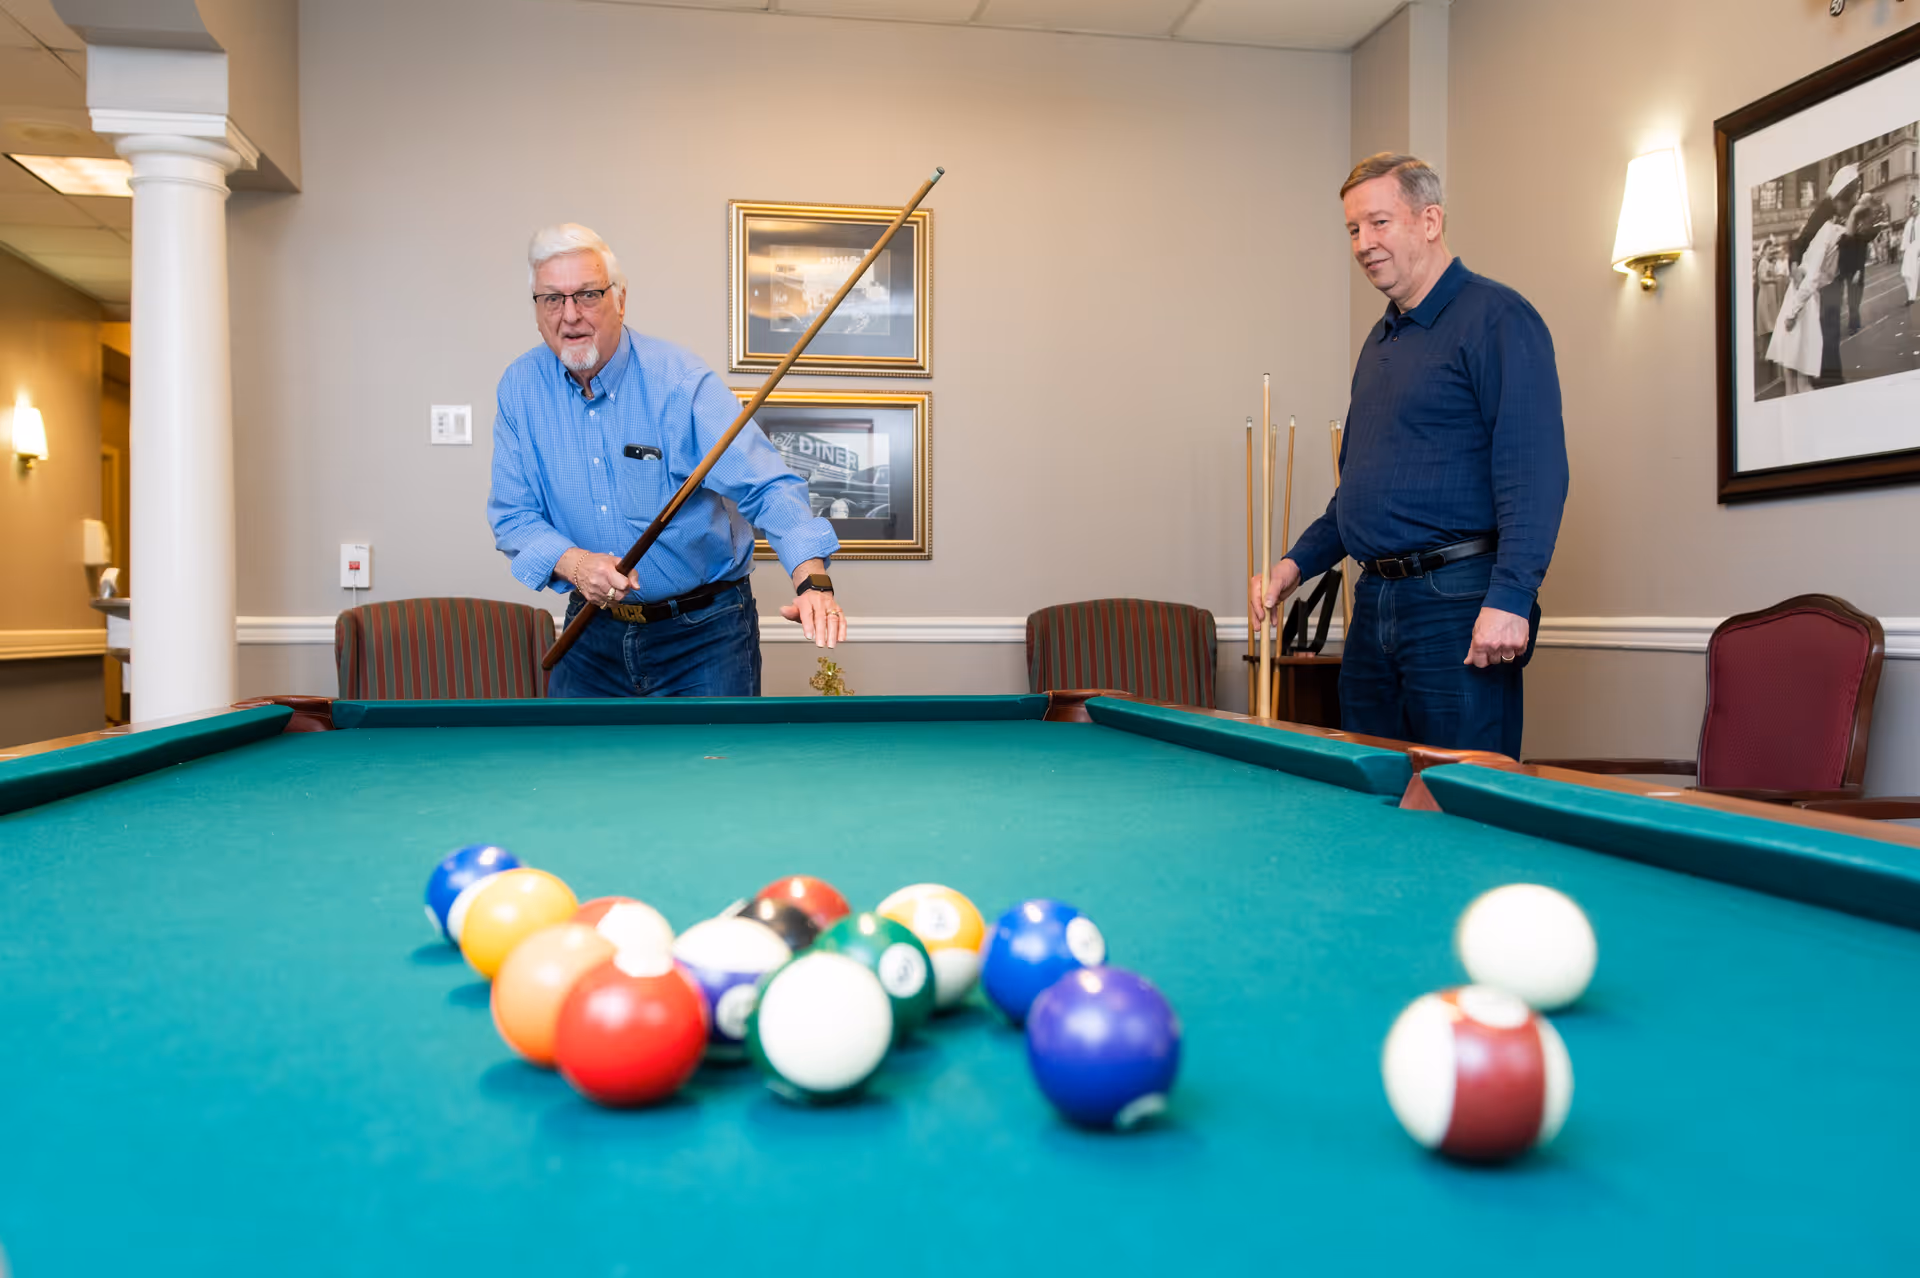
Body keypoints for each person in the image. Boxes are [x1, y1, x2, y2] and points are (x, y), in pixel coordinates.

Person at [1249, 154, 1567, 757]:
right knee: (1371, 791)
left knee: (1459, 797)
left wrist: (1510, 598)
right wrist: (1295, 565)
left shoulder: (1498, 318)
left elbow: (1535, 475)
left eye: (1378, 223)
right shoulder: (1380, 340)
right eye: (1352, 230)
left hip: (1460, 598)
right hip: (1374, 603)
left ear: (1430, 220)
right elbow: (1360, 492)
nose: (1363, 243)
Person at [489, 223, 847, 698]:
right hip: (591, 635)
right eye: (552, 299)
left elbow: (767, 486)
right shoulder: (520, 388)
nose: (570, 315)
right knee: (576, 773)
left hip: (704, 636)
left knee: (715, 771)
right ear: (537, 308)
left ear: (620, 299)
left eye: (588, 295)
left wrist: (811, 579)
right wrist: (576, 565)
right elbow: (513, 517)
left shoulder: (681, 383)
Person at [1772, 168, 1859, 396]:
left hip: (1813, 291)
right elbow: (1806, 253)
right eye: (1848, 203)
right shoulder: (1825, 219)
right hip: (1811, 293)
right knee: (1805, 364)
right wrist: (1794, 264)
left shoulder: (1836, 221)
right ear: (1840, 199)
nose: (1848, 208)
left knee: (1799, 365)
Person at [1902, 196, 1919, 305]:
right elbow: (1905, 236)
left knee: (1915, 273)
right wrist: (1904, 249)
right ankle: (1911, 296)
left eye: (1916, 208)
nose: (1914, 210)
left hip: (1918, 246)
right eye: (1912, 208)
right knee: (1906, 272)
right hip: (1910, 248)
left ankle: (1912, 297)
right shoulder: (1909, 222)